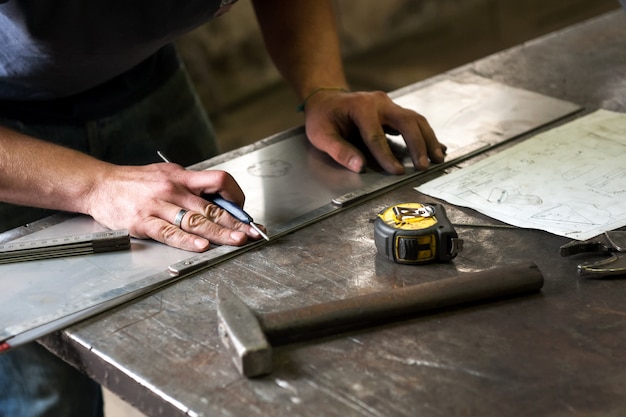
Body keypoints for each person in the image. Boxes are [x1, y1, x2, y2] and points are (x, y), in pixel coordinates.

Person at [0, 1, 447, 415]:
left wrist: (322, 86)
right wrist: (95, 186)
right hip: (12, 145)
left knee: (221, 347)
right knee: (46, 394)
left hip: (146, 85)